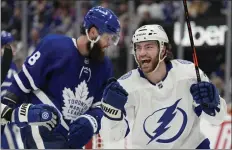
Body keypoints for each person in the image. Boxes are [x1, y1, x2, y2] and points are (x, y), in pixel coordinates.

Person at [1, 6, 120, 149]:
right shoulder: (54, 46)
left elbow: (100, 106)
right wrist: (7, 113)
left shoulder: (105, 66)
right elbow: (18, 88)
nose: (109, 44)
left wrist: (91, 121)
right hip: (42, 125)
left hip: (71, 137)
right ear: (93, 32)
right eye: (109, 38)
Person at [100, 24, 227, 149]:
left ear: (163, 50)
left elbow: (217, 119)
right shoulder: (125, 86)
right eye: (138, 48)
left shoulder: (189, 73)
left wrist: (213, 104)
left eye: (148, 47)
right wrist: (112, 114)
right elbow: (111, 138)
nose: (142, 52)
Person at [1, 31, 61, 149]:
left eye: (12, 45)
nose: (12, 48)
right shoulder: (5, 64)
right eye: (6, 46)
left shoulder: (11, 65)